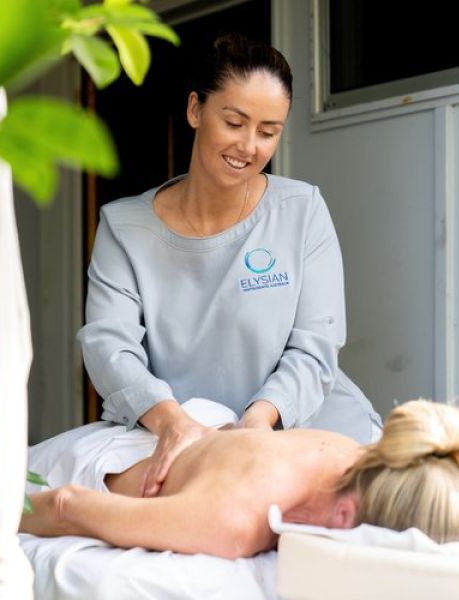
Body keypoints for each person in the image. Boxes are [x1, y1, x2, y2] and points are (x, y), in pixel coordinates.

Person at [78, 32, 382, 500]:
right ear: (195, 110)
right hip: (181, 437)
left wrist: (259, 422)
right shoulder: (124, 229)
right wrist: (173, 423)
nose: (248, 146)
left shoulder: (302, 211)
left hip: (304, 430)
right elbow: (109, 348)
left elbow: (315, 347)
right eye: (234, 122)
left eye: (268, 131)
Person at [20, 399, 459, 559]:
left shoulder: (363, 459)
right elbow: (66, 505)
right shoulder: (232, 521)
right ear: (345, 516)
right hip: (92, 466)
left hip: (205, 439)